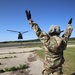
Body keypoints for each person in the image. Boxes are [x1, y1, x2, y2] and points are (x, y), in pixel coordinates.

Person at [25, 10, 73, 75]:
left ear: (50, 32)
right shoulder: (63, 40)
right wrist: (69, 25)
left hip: (48, 66)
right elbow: (67, 33)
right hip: (58, 67)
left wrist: (30, 20)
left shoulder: (47, 40)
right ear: (59, 32)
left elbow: (38, 31)